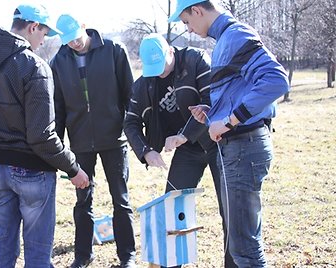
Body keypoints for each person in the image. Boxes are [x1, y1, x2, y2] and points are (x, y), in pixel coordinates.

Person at [0, 2, 90, 268]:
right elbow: (42, 135)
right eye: (43, 34)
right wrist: (74, 168)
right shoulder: (35, 66)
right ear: (33, 27)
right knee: (38, 255)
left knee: (2, 250)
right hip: (32, 169)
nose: (43, 41)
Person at [169, 0, 290, 266]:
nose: (187, 30)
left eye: (187, 22)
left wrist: (230, 120)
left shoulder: (235, 35)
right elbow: (241, 90)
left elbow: (276, 80)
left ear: (198, 11)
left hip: (244, 147)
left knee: (244, 249)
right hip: (239, 147)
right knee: (242, 243)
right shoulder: (226, 38)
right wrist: (213, 111)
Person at [124, 33, 236, 268]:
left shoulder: (195, 60)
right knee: (171, 206)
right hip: (188, 150)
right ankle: (171, 263)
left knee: (230, 210)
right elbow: (130, 122)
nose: (160, 73)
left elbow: (212, 99)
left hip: (219, 142)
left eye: (162, 65)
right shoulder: (144, 82)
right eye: (153, 68)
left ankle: (233, 264)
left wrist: (185, 134)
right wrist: (146, 151)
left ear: (171, 52)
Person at [50, 14, 136, 268]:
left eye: (76, 38)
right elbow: (58, 106)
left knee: (121, 199)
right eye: (68, 41)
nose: (73, 44)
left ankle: (127, 256)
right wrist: (59, 146)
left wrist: (129, 130)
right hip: (79, 142)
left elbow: (130, 94)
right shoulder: (59, 62)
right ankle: (83, 255)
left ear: (84, 28)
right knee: (83, 200)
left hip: (114, 138)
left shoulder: (113, 51)